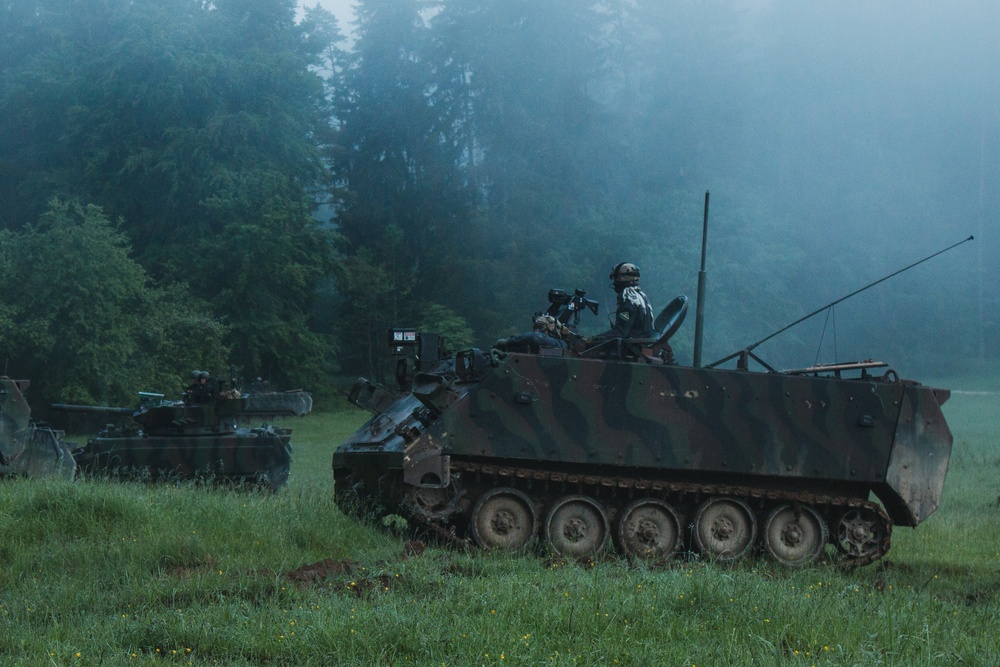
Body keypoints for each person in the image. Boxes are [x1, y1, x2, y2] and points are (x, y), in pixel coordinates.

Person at [602, 262, 654, 339]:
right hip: (643, 344)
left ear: (619, 278)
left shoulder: (628, 299)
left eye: (616, 278)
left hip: (631, 347)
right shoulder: (642, 296)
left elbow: (621, 332)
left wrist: (595, 338)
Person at [494, 314, 570, 353]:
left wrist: (508, 342)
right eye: (536, 328)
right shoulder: (539, 342)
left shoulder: (561, 345)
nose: (537, 331)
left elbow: (534, 337)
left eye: (541, 328)